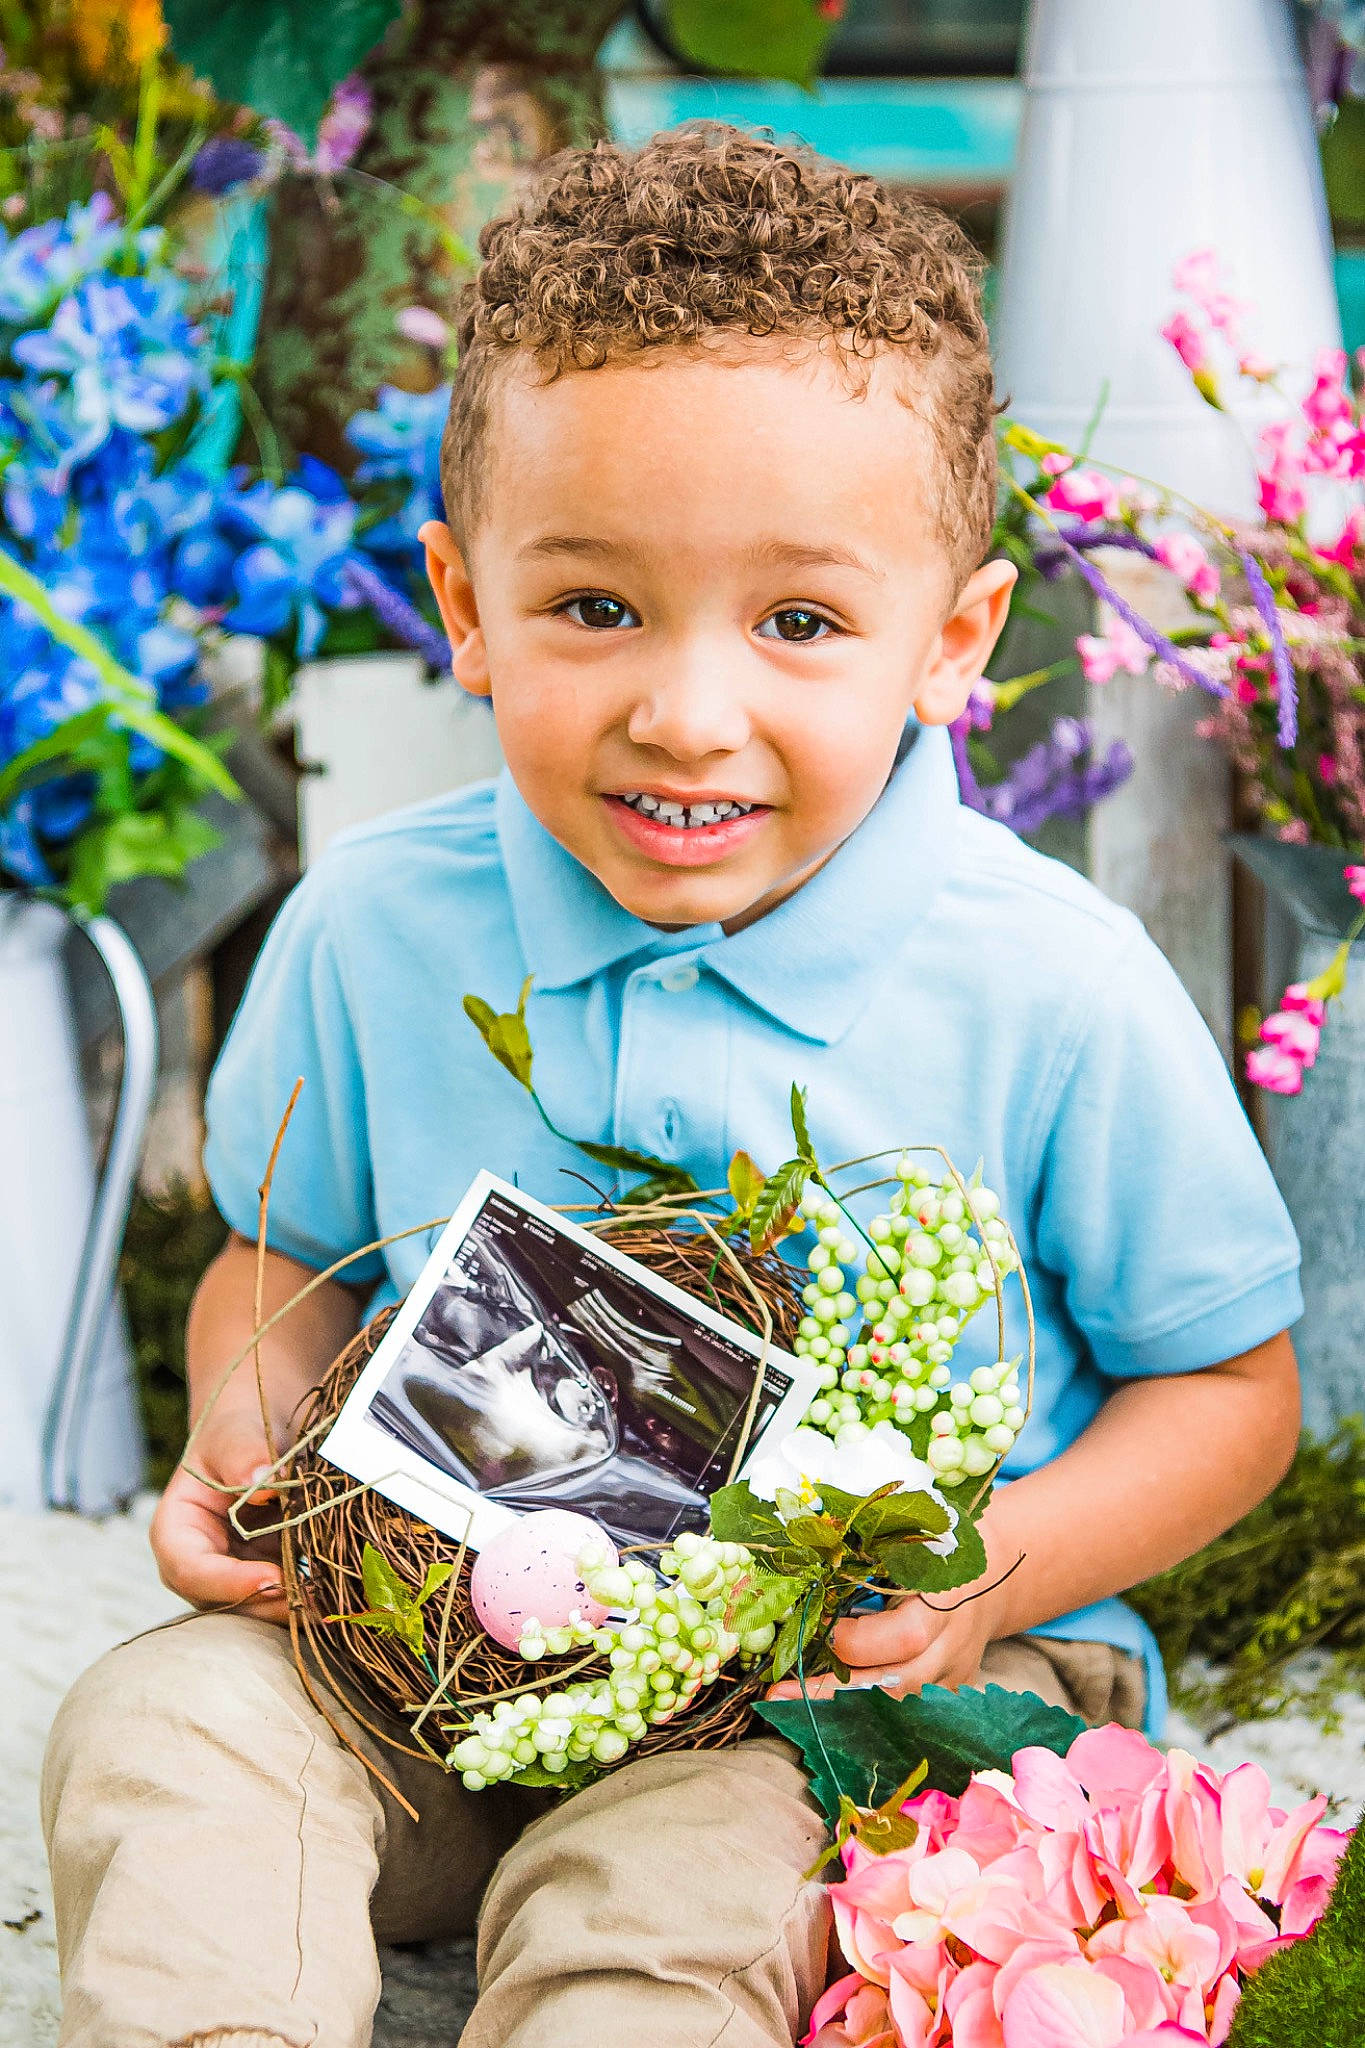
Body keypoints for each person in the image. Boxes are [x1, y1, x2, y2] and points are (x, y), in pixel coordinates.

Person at [42, 125, 1303, 2048]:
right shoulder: (377, 924)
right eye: (595, 608)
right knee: (164, 1724)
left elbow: (1227, 1392)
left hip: (858, 1702)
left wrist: (988, 1582)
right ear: (464, 605)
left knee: (656, 1897)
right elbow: (272, 1266)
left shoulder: (1045, 982)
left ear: (950, 641)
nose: (685, 712)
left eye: (798, 622)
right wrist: (250, 1439)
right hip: (445, 1656)